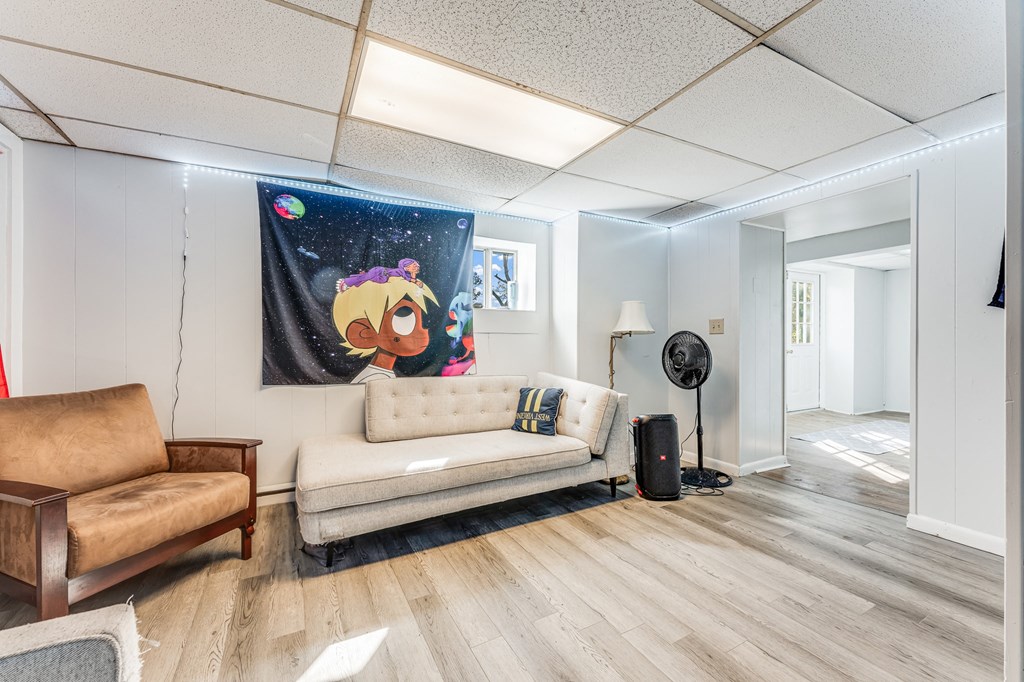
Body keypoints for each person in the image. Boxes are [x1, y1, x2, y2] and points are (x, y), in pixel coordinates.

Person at [332, 269, 438, 383]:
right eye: (405, 317)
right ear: (364, 333)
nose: (423, 330)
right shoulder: (376, 379)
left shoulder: (380, 374)